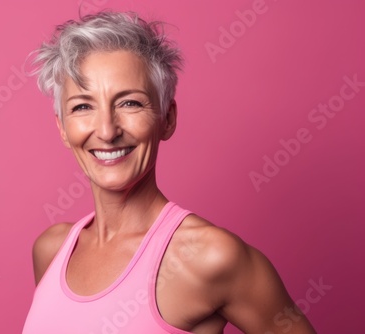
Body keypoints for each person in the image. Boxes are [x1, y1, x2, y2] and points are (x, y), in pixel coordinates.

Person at [22, 11, 315, 334]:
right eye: (82, 106)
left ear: (167, 118)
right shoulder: (52, 249)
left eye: (130, 103)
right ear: (63, 128)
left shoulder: (211, 256)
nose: (106, 130)